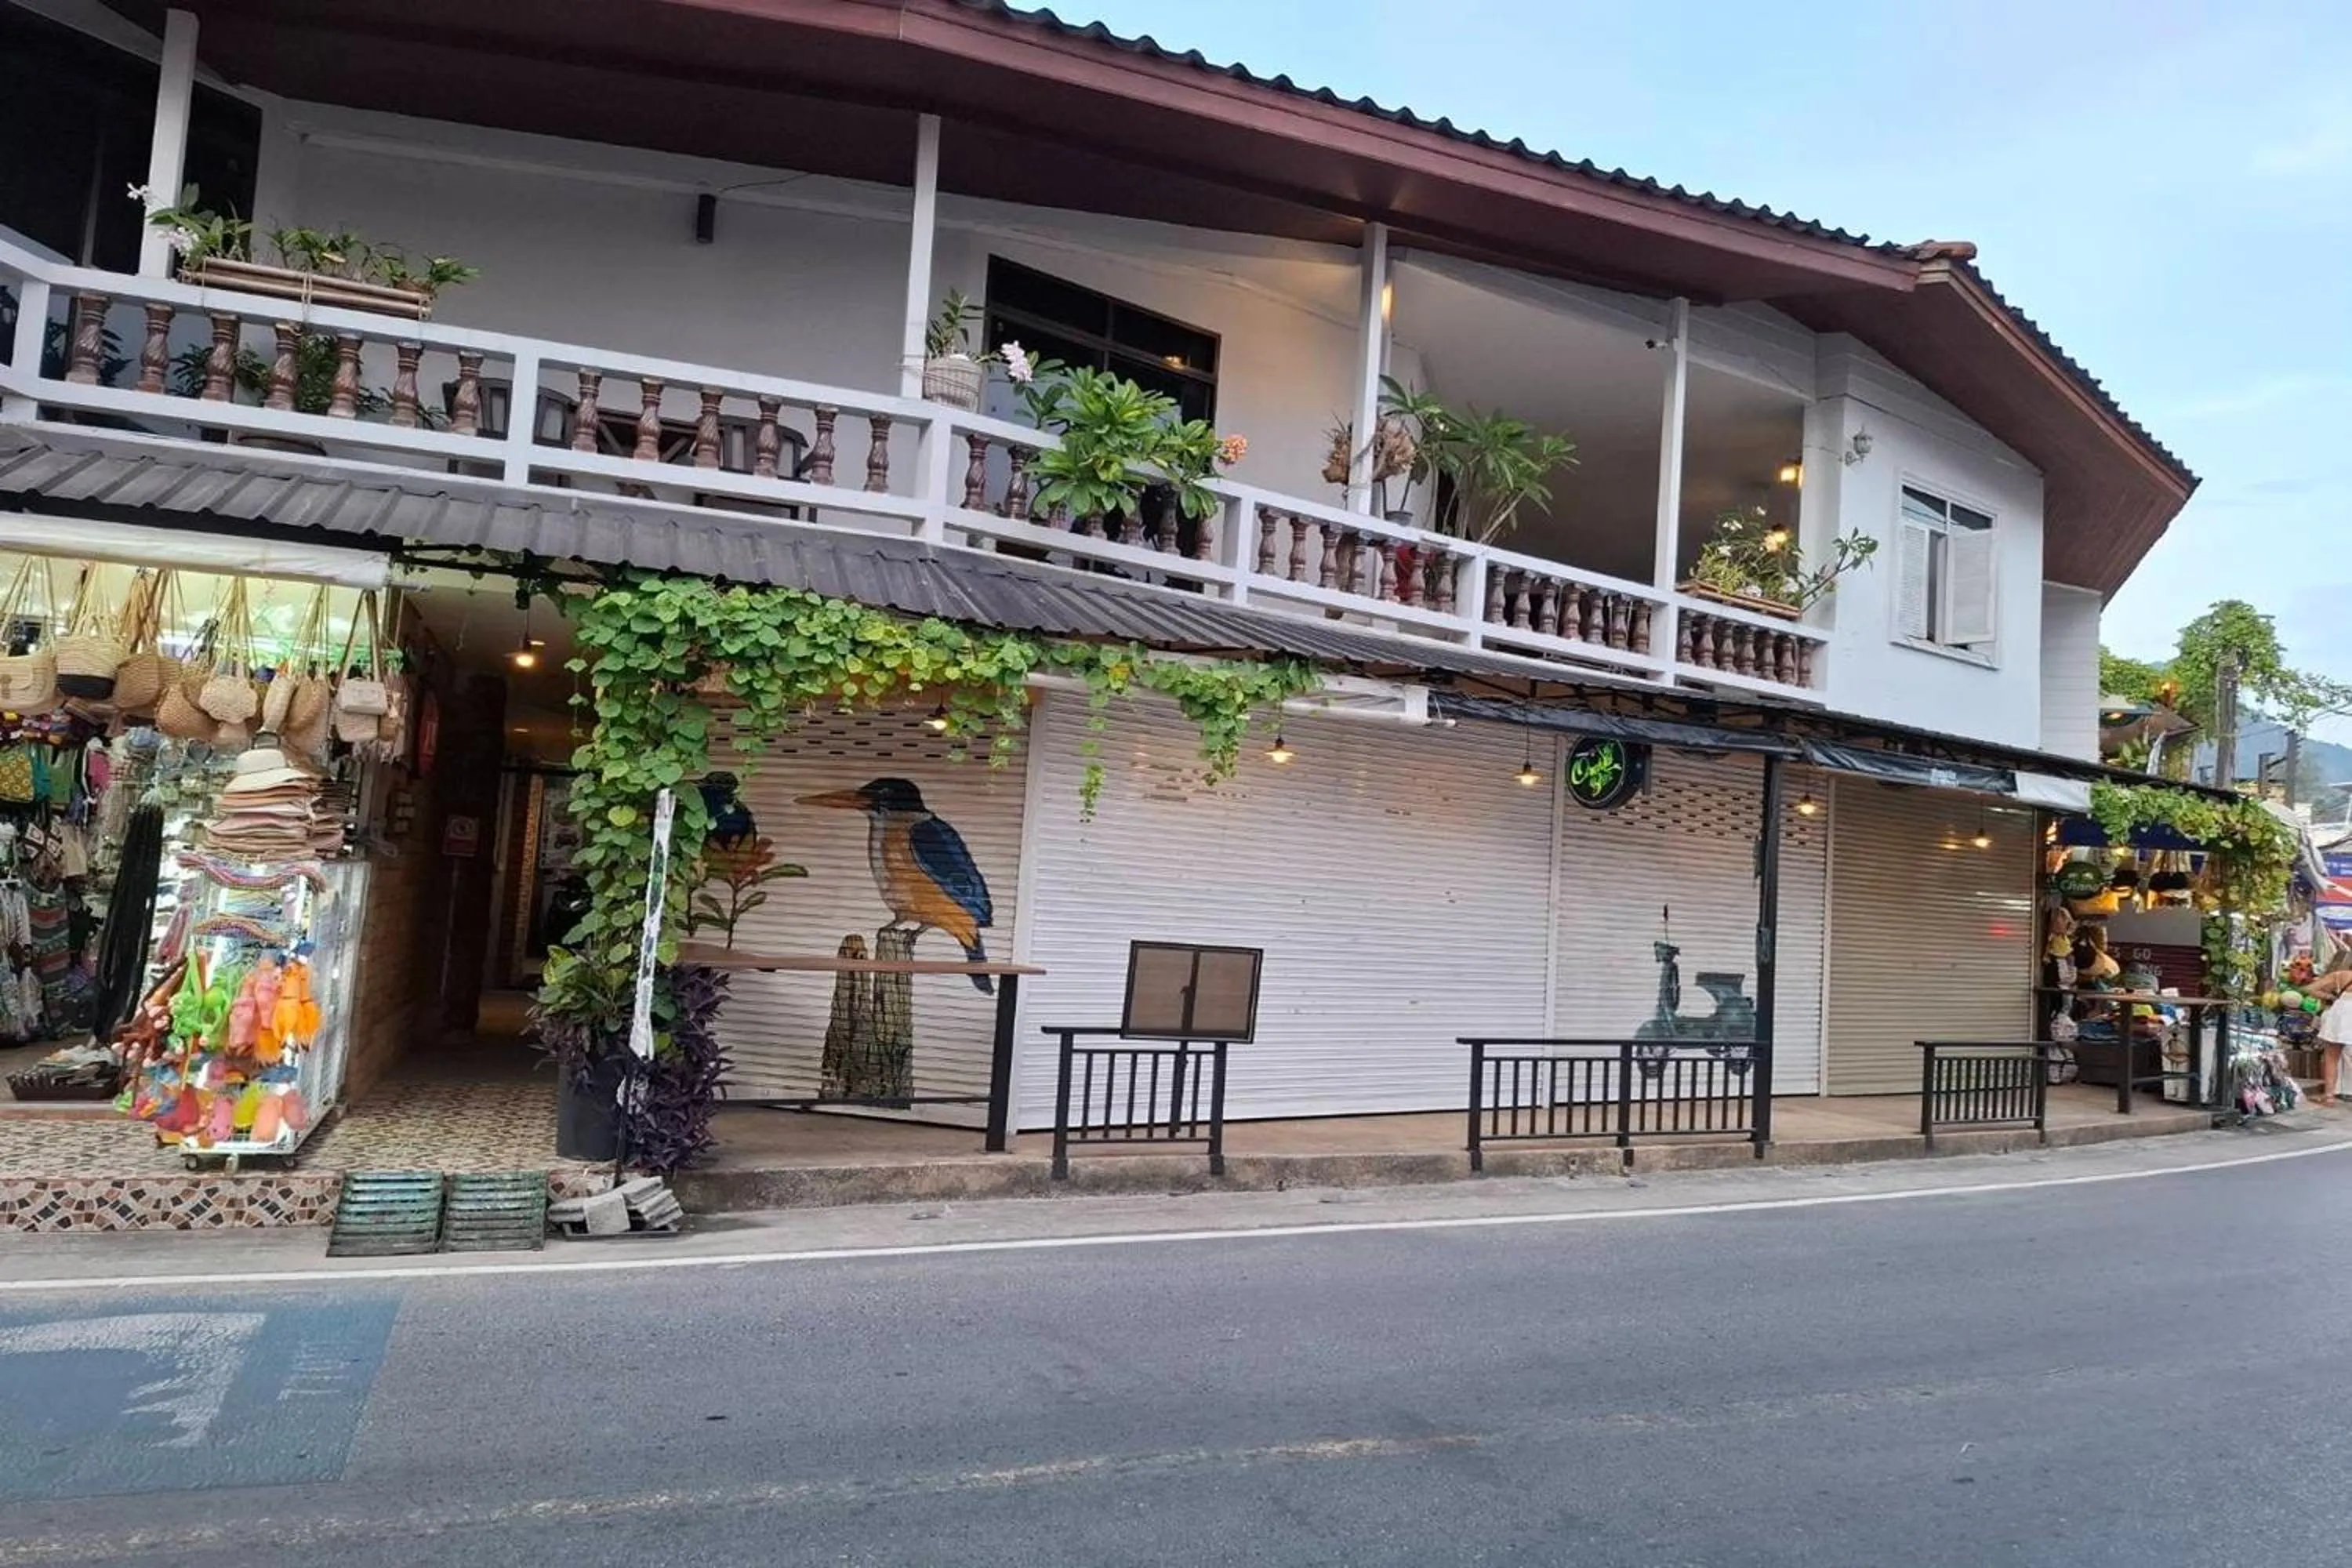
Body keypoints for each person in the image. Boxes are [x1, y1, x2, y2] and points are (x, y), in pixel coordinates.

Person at [2305, 963, 2352, 1106]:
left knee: (2331, 1057)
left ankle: (2329, 1097)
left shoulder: (2340, 975)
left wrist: (2329, 997)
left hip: (2341, 1015)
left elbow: (2310, 989)